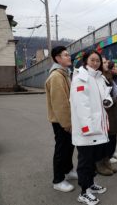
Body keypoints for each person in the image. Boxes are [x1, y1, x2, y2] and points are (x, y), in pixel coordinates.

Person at [70, 50, 112, 205]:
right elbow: (81, 105)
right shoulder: (81, 78)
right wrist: (87, 128)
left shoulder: (98, 77)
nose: (96, 63)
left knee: (93, 160)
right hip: (87, 130)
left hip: (98, 127)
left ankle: (91, 184)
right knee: (85, 162)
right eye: (92, 60)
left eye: (98, 60)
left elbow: (105, 95)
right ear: (85, 61)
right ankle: (84, 192)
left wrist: (108, 101)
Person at [45, 46, 77, 193]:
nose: (69, 57)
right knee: (61, 149)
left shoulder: (64, 73)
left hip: (66, 120)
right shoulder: (57, 76)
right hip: (61, 121)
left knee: (69, 147)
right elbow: (60, 103)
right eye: (65, 55)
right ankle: (58, 180)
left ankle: (68, 171)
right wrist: (67, 124)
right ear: (57, 58)